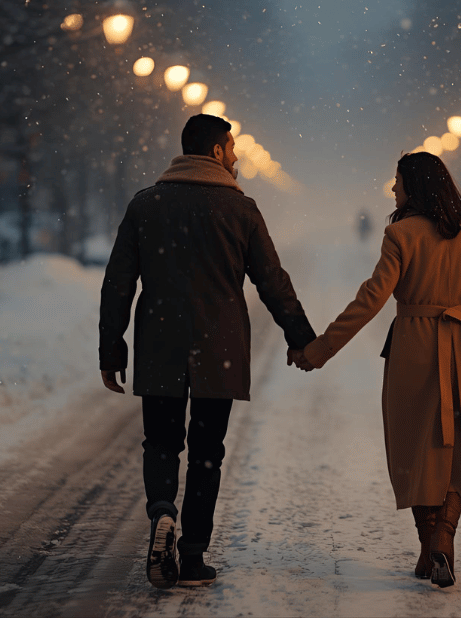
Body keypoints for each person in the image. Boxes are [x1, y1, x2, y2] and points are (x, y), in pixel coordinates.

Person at [99, 114, 316, 590]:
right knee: (206, 453)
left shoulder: (146, 205)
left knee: (161, 443)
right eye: (232, 148)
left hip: (159, 344)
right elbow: (272, 281)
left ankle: (162, 511)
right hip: (220, 347)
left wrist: (111, 349)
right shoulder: (240, 209)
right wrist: (300, 336)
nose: (236, 157)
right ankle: (193, 555)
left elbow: (118, 283)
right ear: (217, 151)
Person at [289, 151, 461, 588]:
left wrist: (321, 349)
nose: (393, 188)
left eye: (398, 180)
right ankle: (442, 538)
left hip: (415, 348)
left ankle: (430, 542)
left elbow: (371, 299)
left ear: (415, 186)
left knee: (415, 447)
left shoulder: (401, 235)